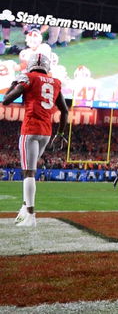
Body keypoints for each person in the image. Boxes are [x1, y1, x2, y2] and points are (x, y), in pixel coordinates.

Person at [2, 53, 68, 227]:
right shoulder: (56, 82)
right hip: (46, 132)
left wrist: (14, 83)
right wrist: (60, 133)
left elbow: (7, 100)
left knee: (28, 172)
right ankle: (25, 207)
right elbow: (65, 111)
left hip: (30, 129)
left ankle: (31, 215)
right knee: (30, 170)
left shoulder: (29, 77)